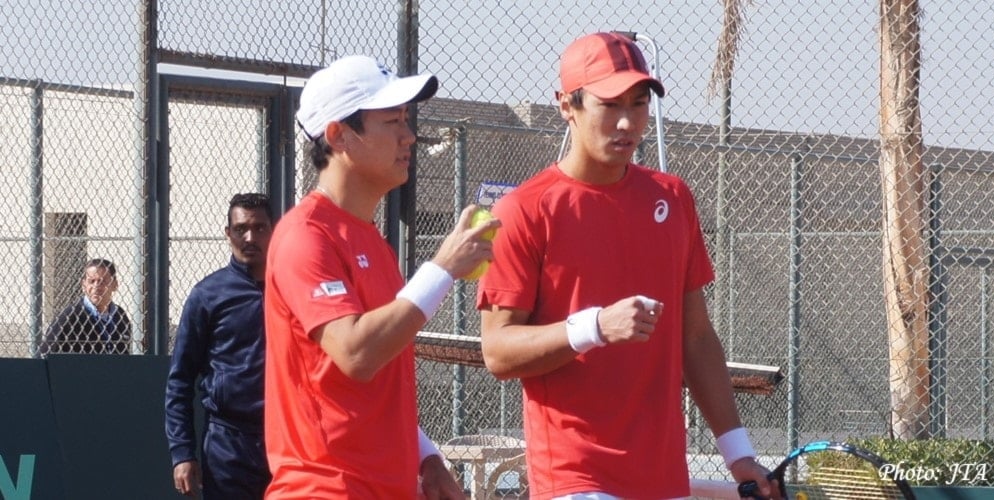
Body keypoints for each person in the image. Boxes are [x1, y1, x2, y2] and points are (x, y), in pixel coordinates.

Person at [476, 32, 778, 500]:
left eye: (639, 104)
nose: (626, 122)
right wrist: (593, 326)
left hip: (663, 478)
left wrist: (738, 453)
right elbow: (497, 351)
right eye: (609, 104)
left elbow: (696, 337)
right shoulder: (523, 210)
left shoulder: (672, 198)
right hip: (575, 479)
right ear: (566, 106)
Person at [263, 55, 497, 499]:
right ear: (338, 135)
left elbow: (379, 386)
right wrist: (443, 268)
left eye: (406, 120)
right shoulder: (304, 236)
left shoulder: (373, 243)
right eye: (392, 120)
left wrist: (427, 459)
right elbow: (355, 352)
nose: (409, 136)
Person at [164, 193, 274, 498]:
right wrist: (182, 453)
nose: (250, 237)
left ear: (273, 230)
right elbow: (180, 380)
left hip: (287, 442)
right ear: (228, 234)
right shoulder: (207, 295)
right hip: (228, 448)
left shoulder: (293, 288)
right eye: (241, 229)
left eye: (260, 228)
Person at [40, 258, 133, 356]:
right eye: (91, 281)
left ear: (115, 285)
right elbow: (45, 354)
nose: (96, 286)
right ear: (84, 285)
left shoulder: (120, 315)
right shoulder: (70, 316)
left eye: (103, 281)